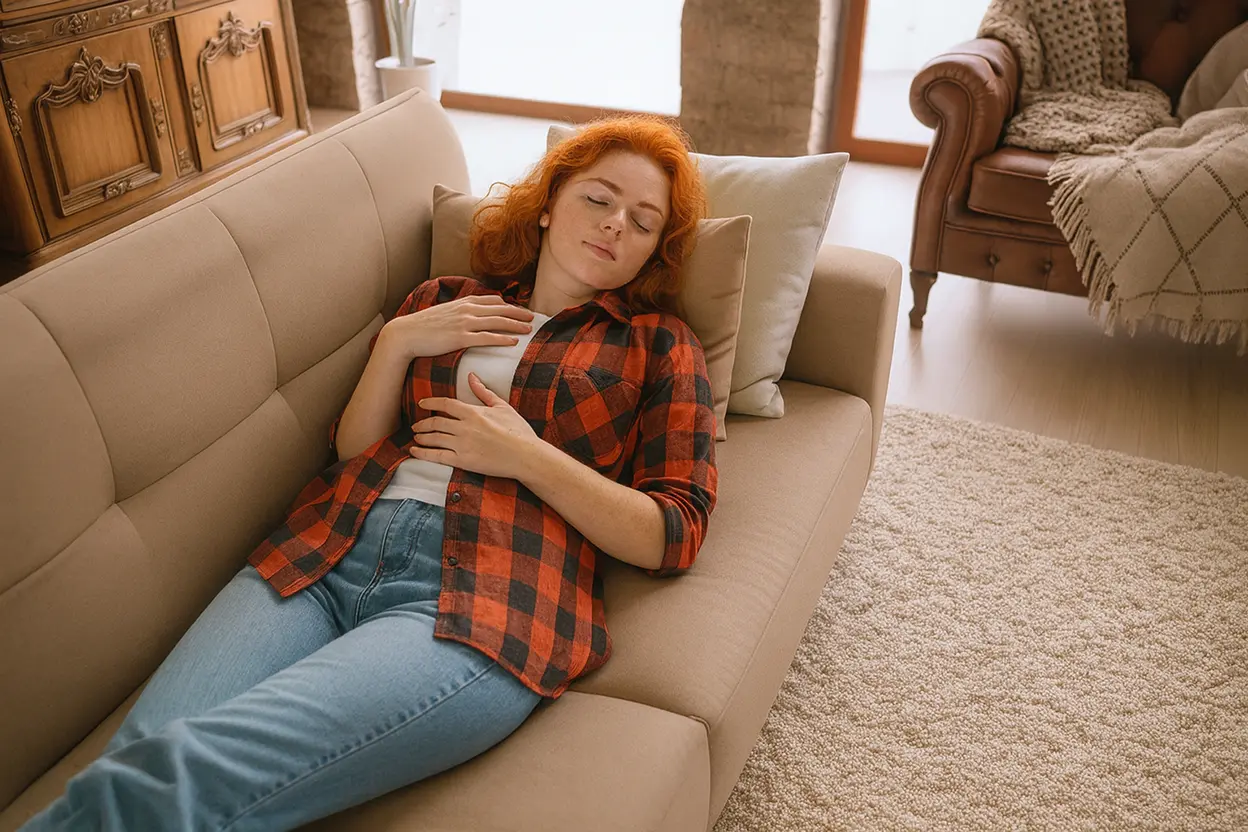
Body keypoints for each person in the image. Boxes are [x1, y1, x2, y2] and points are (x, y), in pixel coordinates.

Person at [21, 115, 719, 832]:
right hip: (321, 556)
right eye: (598, 200)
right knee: (133, 763)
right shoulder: (444, 297)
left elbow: (673, 533)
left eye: (642, 222)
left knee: (181, 777)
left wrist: (525, 456)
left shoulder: (658, 346)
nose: (614, 229)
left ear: (651, 253)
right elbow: (354, 452)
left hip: (484, 598)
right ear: (548, 203)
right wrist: (396, 342)